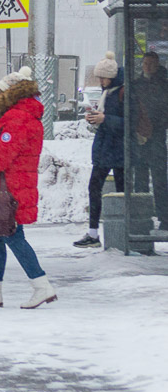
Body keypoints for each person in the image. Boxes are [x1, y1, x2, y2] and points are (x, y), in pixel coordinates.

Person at [0, 67, 56, 309]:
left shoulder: (15, 119)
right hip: (15, 184)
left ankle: (42, 285)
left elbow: (1, 157)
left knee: (11, 236)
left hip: (9, 187)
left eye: (0, 92)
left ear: (10, 94)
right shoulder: (27, 116)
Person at [77, 52, 125, 248]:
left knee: (120, 191)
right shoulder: (109, 93)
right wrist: (96, 119)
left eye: (103, 77)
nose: (101, 81)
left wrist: (105, 119)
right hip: (107, 149)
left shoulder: (121, 93)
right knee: (96, 188)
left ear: (112, 77)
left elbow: (129, 123)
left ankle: (120, 232)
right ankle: (94, 232)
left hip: (117, 150)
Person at [131, 51, 168, 227]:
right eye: (145, 63)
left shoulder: (163, 84)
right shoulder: (136, 85)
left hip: (158, 136)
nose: (148, 67)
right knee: (141, 177)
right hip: (141, 137)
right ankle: (141, 216)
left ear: (157, 65)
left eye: (151, 64)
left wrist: (157, 126)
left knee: (160, 177)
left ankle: (164, 216)